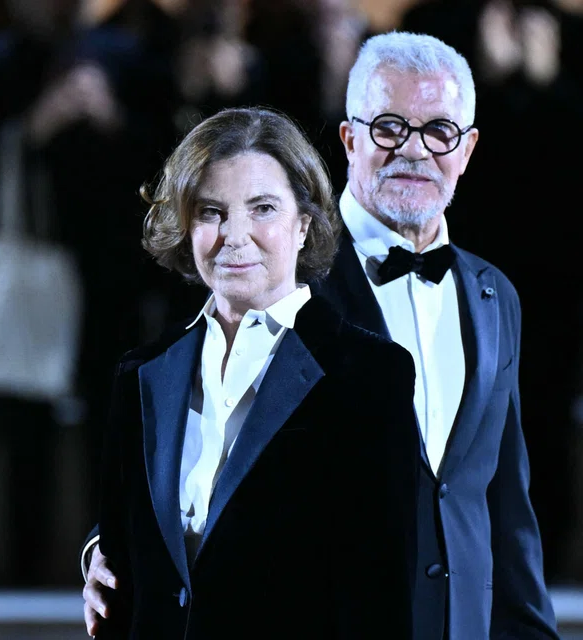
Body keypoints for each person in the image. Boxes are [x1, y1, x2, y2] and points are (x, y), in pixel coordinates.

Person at [83, 32, 558, 640]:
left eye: (438, 131)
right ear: (350, 138)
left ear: (466, 149)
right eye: (389, 127)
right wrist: (104, 548)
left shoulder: (492, 295)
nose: (414, 150)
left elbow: (505, 503)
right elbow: (197, 451)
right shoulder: (273, 273)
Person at [88, 106, 421, 638]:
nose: (234, 235)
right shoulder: (143, 373)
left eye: (262, 208)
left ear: (303, 224)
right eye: (211, 212)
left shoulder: (370, 374)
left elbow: (381, 594)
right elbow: (122, 553)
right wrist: (96, 554)